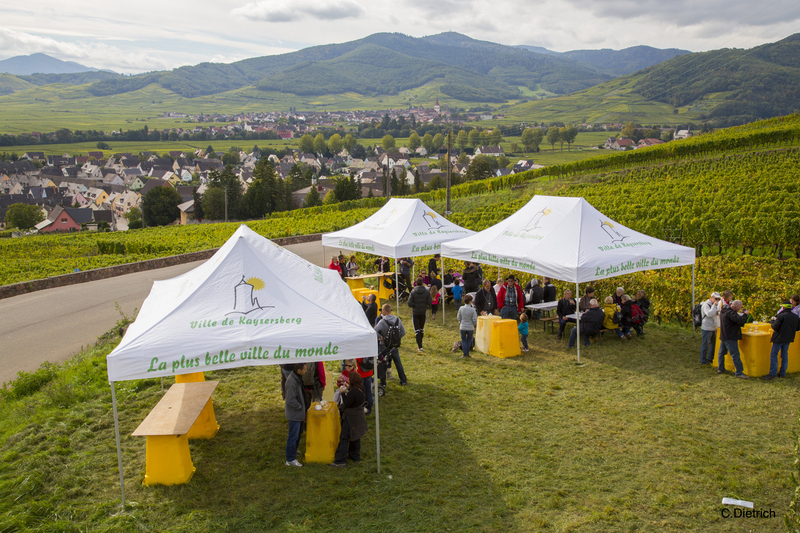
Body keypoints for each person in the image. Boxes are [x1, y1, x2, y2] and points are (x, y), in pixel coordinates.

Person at [330, 372, 368, 467]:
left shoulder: (353, 392)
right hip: (358, 416)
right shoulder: (361, 389)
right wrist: (348, 387)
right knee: (355, 436)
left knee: (344, 437)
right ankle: (354, 456)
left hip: (351, 417)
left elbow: (346, 403)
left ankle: (340, 460)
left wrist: (342, 393)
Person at [762, 300, 800, 380]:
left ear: (783, 307)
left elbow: (775, 327)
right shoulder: (796, 317)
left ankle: (772, 374)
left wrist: (772, 321)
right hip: (788, 338)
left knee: (774, 355)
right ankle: (782, 373)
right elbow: (797, 328)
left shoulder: (781, 316)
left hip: (779, 338)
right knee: (784, 355)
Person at [375, 304, 407, 386]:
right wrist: (396, 338)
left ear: (384, 311)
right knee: (398, 363)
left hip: (384, 345)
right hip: (394, 346)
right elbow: (403, 332)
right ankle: (403, 380)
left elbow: (374, 331)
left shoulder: (382, 322)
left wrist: (380, 337)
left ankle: (383, 383)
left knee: (382, 364)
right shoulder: (397, 320)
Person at [718, 299, 751, 378]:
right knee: (735, 355)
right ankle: (739, 372)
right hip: (730, 336)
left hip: (724, 335)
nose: (740, 308)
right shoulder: (731, 313)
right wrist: (745, 315)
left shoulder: (724, 311)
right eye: (740, 307)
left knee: (722, 353)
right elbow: (740, 321)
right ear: (736, 306)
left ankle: (721, 368)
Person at [284, 363, 307, 467]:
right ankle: (290, 459)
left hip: (298, 413)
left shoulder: (297, 378)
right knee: (293, 436)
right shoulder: (292, 382)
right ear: (299, 370)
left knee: (297, 434)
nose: (306, 371)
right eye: (305, 369)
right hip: (295, 414)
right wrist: (300, 407)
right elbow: (290, 400)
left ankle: (293, 451)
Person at [407, 279, 432, 352]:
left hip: (415, 312)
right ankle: (420, 343)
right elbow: (430, 302)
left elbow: (409, 303)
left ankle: (420, 346)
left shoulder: (413, 292)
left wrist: (415, 305)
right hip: (423, 312)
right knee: (421, 329)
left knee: (417, 330)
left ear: (416, 284)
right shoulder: (427, 292)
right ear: (422, 283)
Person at [700, 291, 722, 365]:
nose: (717, 301)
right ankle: (703, 359)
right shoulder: (706, 305)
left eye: (718, 299)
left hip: (713, 327)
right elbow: (709, 314)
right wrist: (714, 306)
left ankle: (710, 358)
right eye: (716, 299)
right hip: (706, 328)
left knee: (714, 344)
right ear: (711, 297)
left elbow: (716, 314)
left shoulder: (715, 305)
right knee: (705, 344)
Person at [457, 294, 478, 358]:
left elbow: (458, 317)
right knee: (469, 340)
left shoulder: (461, 308)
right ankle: (467, 353)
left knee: (463, 340)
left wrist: (461, 322)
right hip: (470, 327)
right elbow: (475, 319)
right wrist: (474, 324)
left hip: (463, 326)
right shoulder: (472, 310)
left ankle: (464, 353)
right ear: (470, 301)